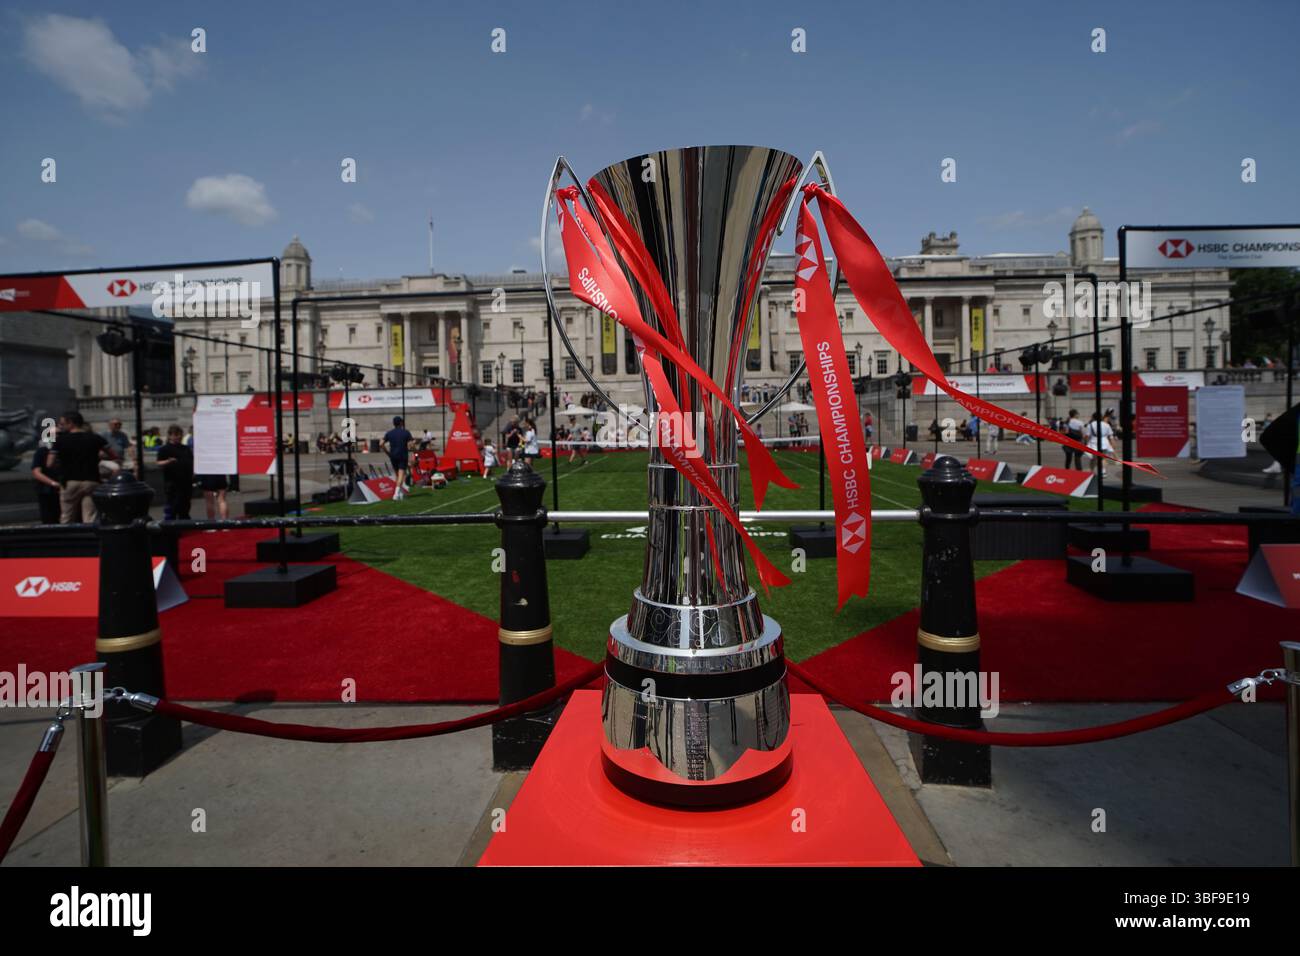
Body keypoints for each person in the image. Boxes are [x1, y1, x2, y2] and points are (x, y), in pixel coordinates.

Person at [49, 411, 117, 523]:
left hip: (69, 481)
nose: (61, 426)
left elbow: (49, 463)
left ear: (70, 423)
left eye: (62, 424)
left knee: (67, 516)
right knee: (90, 516)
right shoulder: (95, 438)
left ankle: (67, 538)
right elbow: (113, 455)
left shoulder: (60, 440)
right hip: (92, 480)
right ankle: (89, 538)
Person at [156, 425, 194, 520]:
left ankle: (185, 526)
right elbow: (158, 463)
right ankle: (171, 528)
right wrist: (168, 461)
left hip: (186, 482)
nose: (179, 437)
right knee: (173, 506)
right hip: (172, 483)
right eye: (176, 435)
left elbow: (191, 461)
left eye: (180, 435)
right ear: (170, 436)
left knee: (185, 506)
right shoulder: (164, 449)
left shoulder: (186, 448)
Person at [31, 438, 62, 524]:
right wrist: (53, 483)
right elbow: (36, 472)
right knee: (49, 517)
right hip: (47, 490)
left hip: (61, 488)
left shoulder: (65, 450)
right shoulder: (42, 452)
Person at [382, 415, 413, 499]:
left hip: (393, 456)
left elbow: (381, 444)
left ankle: (401, 492)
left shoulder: (389, 433)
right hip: (402, 455)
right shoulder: (406, 432)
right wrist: (412, 445)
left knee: (398, 475)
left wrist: (387, 453)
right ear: (401, 423)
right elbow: (410, 446)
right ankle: (396, 494)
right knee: (401, 475)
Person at [1085, 411, 1115, 477]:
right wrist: (1112, 444)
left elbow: (1087, 435)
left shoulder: (1091, 425)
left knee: (1093, 458)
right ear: (1101, 417)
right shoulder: (1106, 424)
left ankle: (1092, 471)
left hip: (1094, 443)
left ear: (1093, 417)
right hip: (1104, 442)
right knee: (1102, 458)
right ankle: (1103, 472)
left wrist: (1086, 443)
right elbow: (1110, 436)